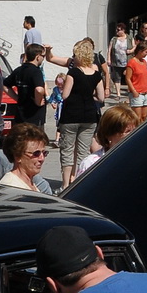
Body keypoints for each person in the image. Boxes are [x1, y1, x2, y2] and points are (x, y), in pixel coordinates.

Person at [55, 40, 106, 187]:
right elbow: (101, 97)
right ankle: (81, 183)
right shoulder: (96, 75)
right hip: (89, 116)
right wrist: (90, 96)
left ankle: (65, 184)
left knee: (67, 151)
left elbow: (65, 95)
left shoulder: (73, 72)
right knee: (83, 152)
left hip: (71, 115)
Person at [77, 102, 141, 175]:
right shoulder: (90, 164)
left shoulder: (141, 158)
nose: (133, 135)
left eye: (135, 130)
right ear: (109, 134)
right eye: (127, 131)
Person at [1, 122, 56, 194]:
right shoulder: (11, 187)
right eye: (36, 153)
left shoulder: (30, 183)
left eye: (44, 153)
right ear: (17, 156)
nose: (42, 159)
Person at [9, 43, 48, 129]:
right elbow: (39, 90)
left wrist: (16, 98)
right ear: (38, 57)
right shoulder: (36, 72)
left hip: (21, 115)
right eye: (43, 56)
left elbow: (5, 85)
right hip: (34, 116)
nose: (43, 59)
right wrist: (38, 101)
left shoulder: (19, 70)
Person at [125, 44, 147, 116]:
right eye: (145, 52)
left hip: (146, 92)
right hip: (137, 93)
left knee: (144, 116)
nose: (146, 54)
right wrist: (134, 91)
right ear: (140, 51)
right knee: (137, 117)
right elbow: (128, 78)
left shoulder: (144, 62)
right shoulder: (132, 62)